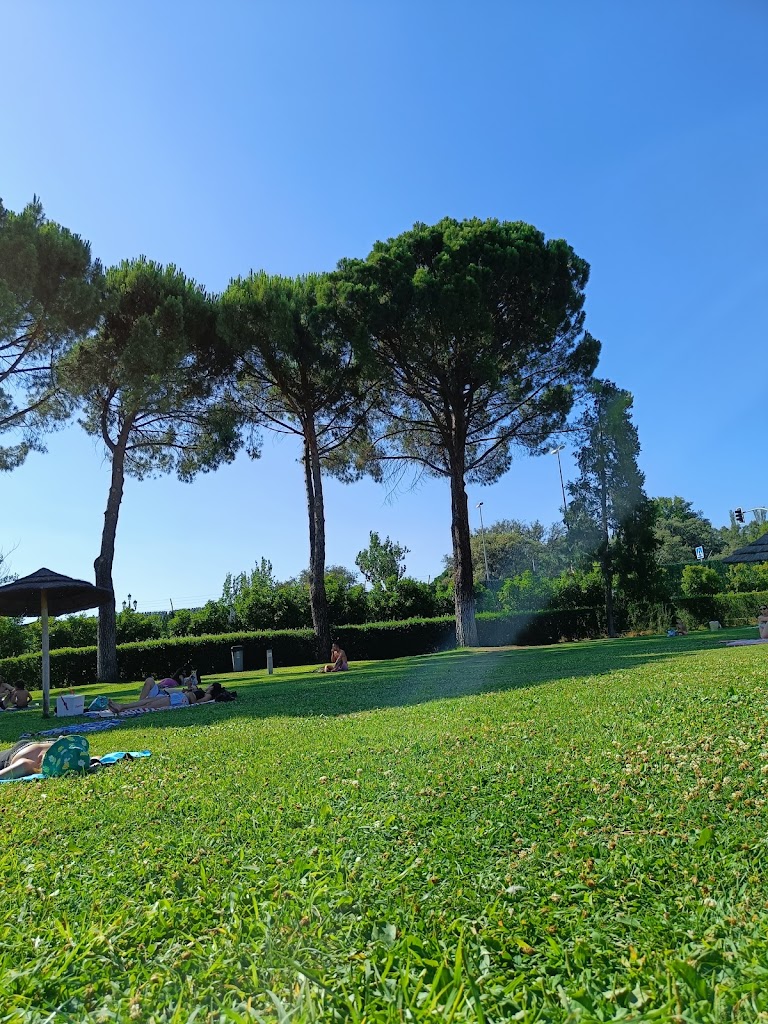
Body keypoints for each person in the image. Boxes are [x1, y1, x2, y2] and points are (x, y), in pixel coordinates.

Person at [108, 686, 212, 715]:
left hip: (174, 700)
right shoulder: (191, 694)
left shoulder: (193, 695)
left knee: (147, 705)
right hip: (172, 697)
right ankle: (121, 706)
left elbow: (195, 703)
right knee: (146, 702)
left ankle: (122, 708)